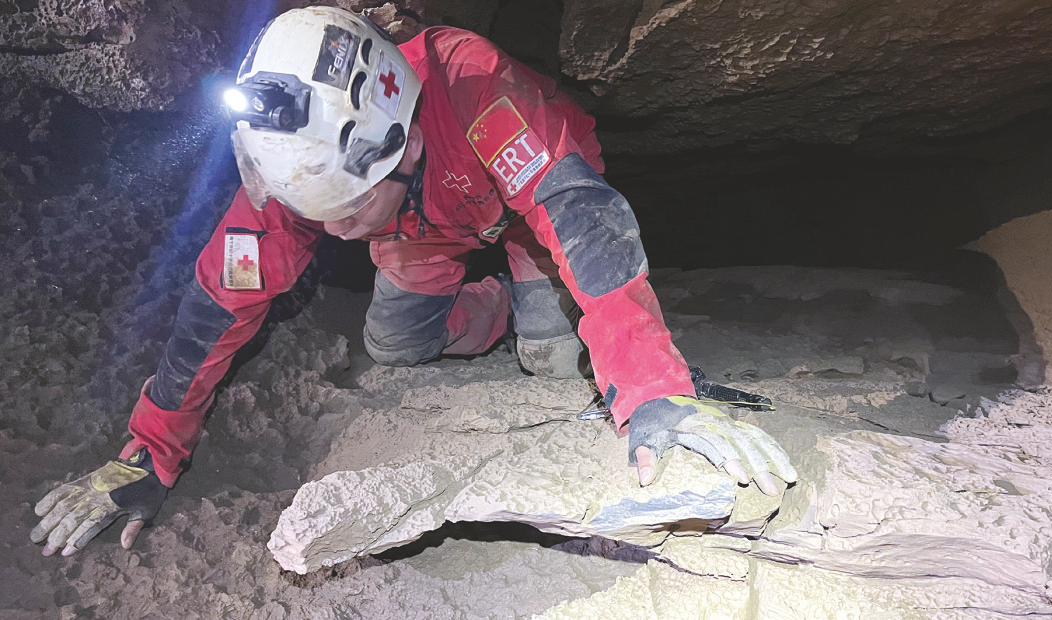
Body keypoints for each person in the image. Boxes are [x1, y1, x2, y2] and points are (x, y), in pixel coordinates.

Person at [30, 7, 798, 558]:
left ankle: (534, 304)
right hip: (419, 225)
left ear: (395, 147)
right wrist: (146, 453)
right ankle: (494, 302)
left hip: (520, 207)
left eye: (344, 210)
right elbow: (216, 307)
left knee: (556, 358)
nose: (330, 234)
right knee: (396, 346)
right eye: (317, 215)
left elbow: (578, 216)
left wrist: (652, 389)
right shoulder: (300, 164)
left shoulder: (476, 86)